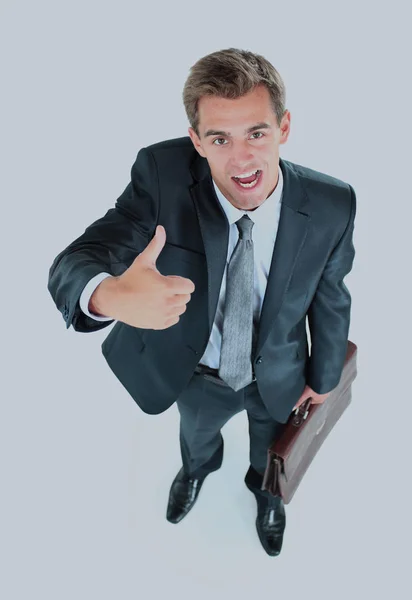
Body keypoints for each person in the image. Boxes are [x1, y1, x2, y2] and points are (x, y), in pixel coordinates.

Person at [47, 48, 356, 556]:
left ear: (284, 127)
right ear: (196, 141)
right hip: (194, 371)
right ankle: (196, 471)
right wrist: (110, 295)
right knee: (195, 438)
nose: (242, 158)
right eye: (219, 138)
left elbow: (331, 295)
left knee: (267, 452)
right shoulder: (162, 175)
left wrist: (324, 378)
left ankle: (266, 494)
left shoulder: (333, 203)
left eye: (256, 132)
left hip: (278, 374)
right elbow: (79, 258)